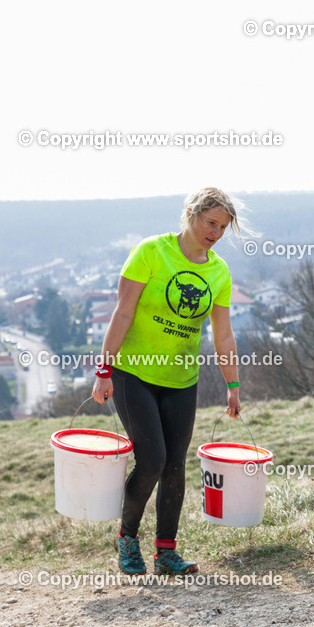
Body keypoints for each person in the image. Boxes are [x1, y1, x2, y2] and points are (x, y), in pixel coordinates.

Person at [92, 187, 249, 576]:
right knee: (152, 461)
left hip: (181, 379)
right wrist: (104, 369)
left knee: (175, 466)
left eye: (223, 227)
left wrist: (232, 385)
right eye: (210, 222)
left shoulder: (219, 271)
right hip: (134, 372)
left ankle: (167, 552)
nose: (215, 232)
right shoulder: (151, 251)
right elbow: (123, 313)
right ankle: (127, 538)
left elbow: (223, 335)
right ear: (190, 214)